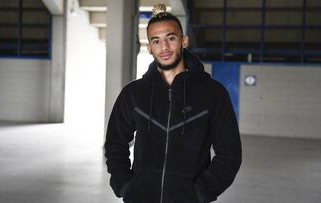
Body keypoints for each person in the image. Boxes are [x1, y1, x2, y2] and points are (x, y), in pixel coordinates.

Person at [104, 11, 242, 203]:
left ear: (184, 41)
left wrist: (201, 193)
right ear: (149, 48)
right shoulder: (134, 93)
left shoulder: (213, 93)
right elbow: (115, 143)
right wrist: (124, 185)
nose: (164, 47)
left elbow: (230, 154)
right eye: (156, 41)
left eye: (171, 38)